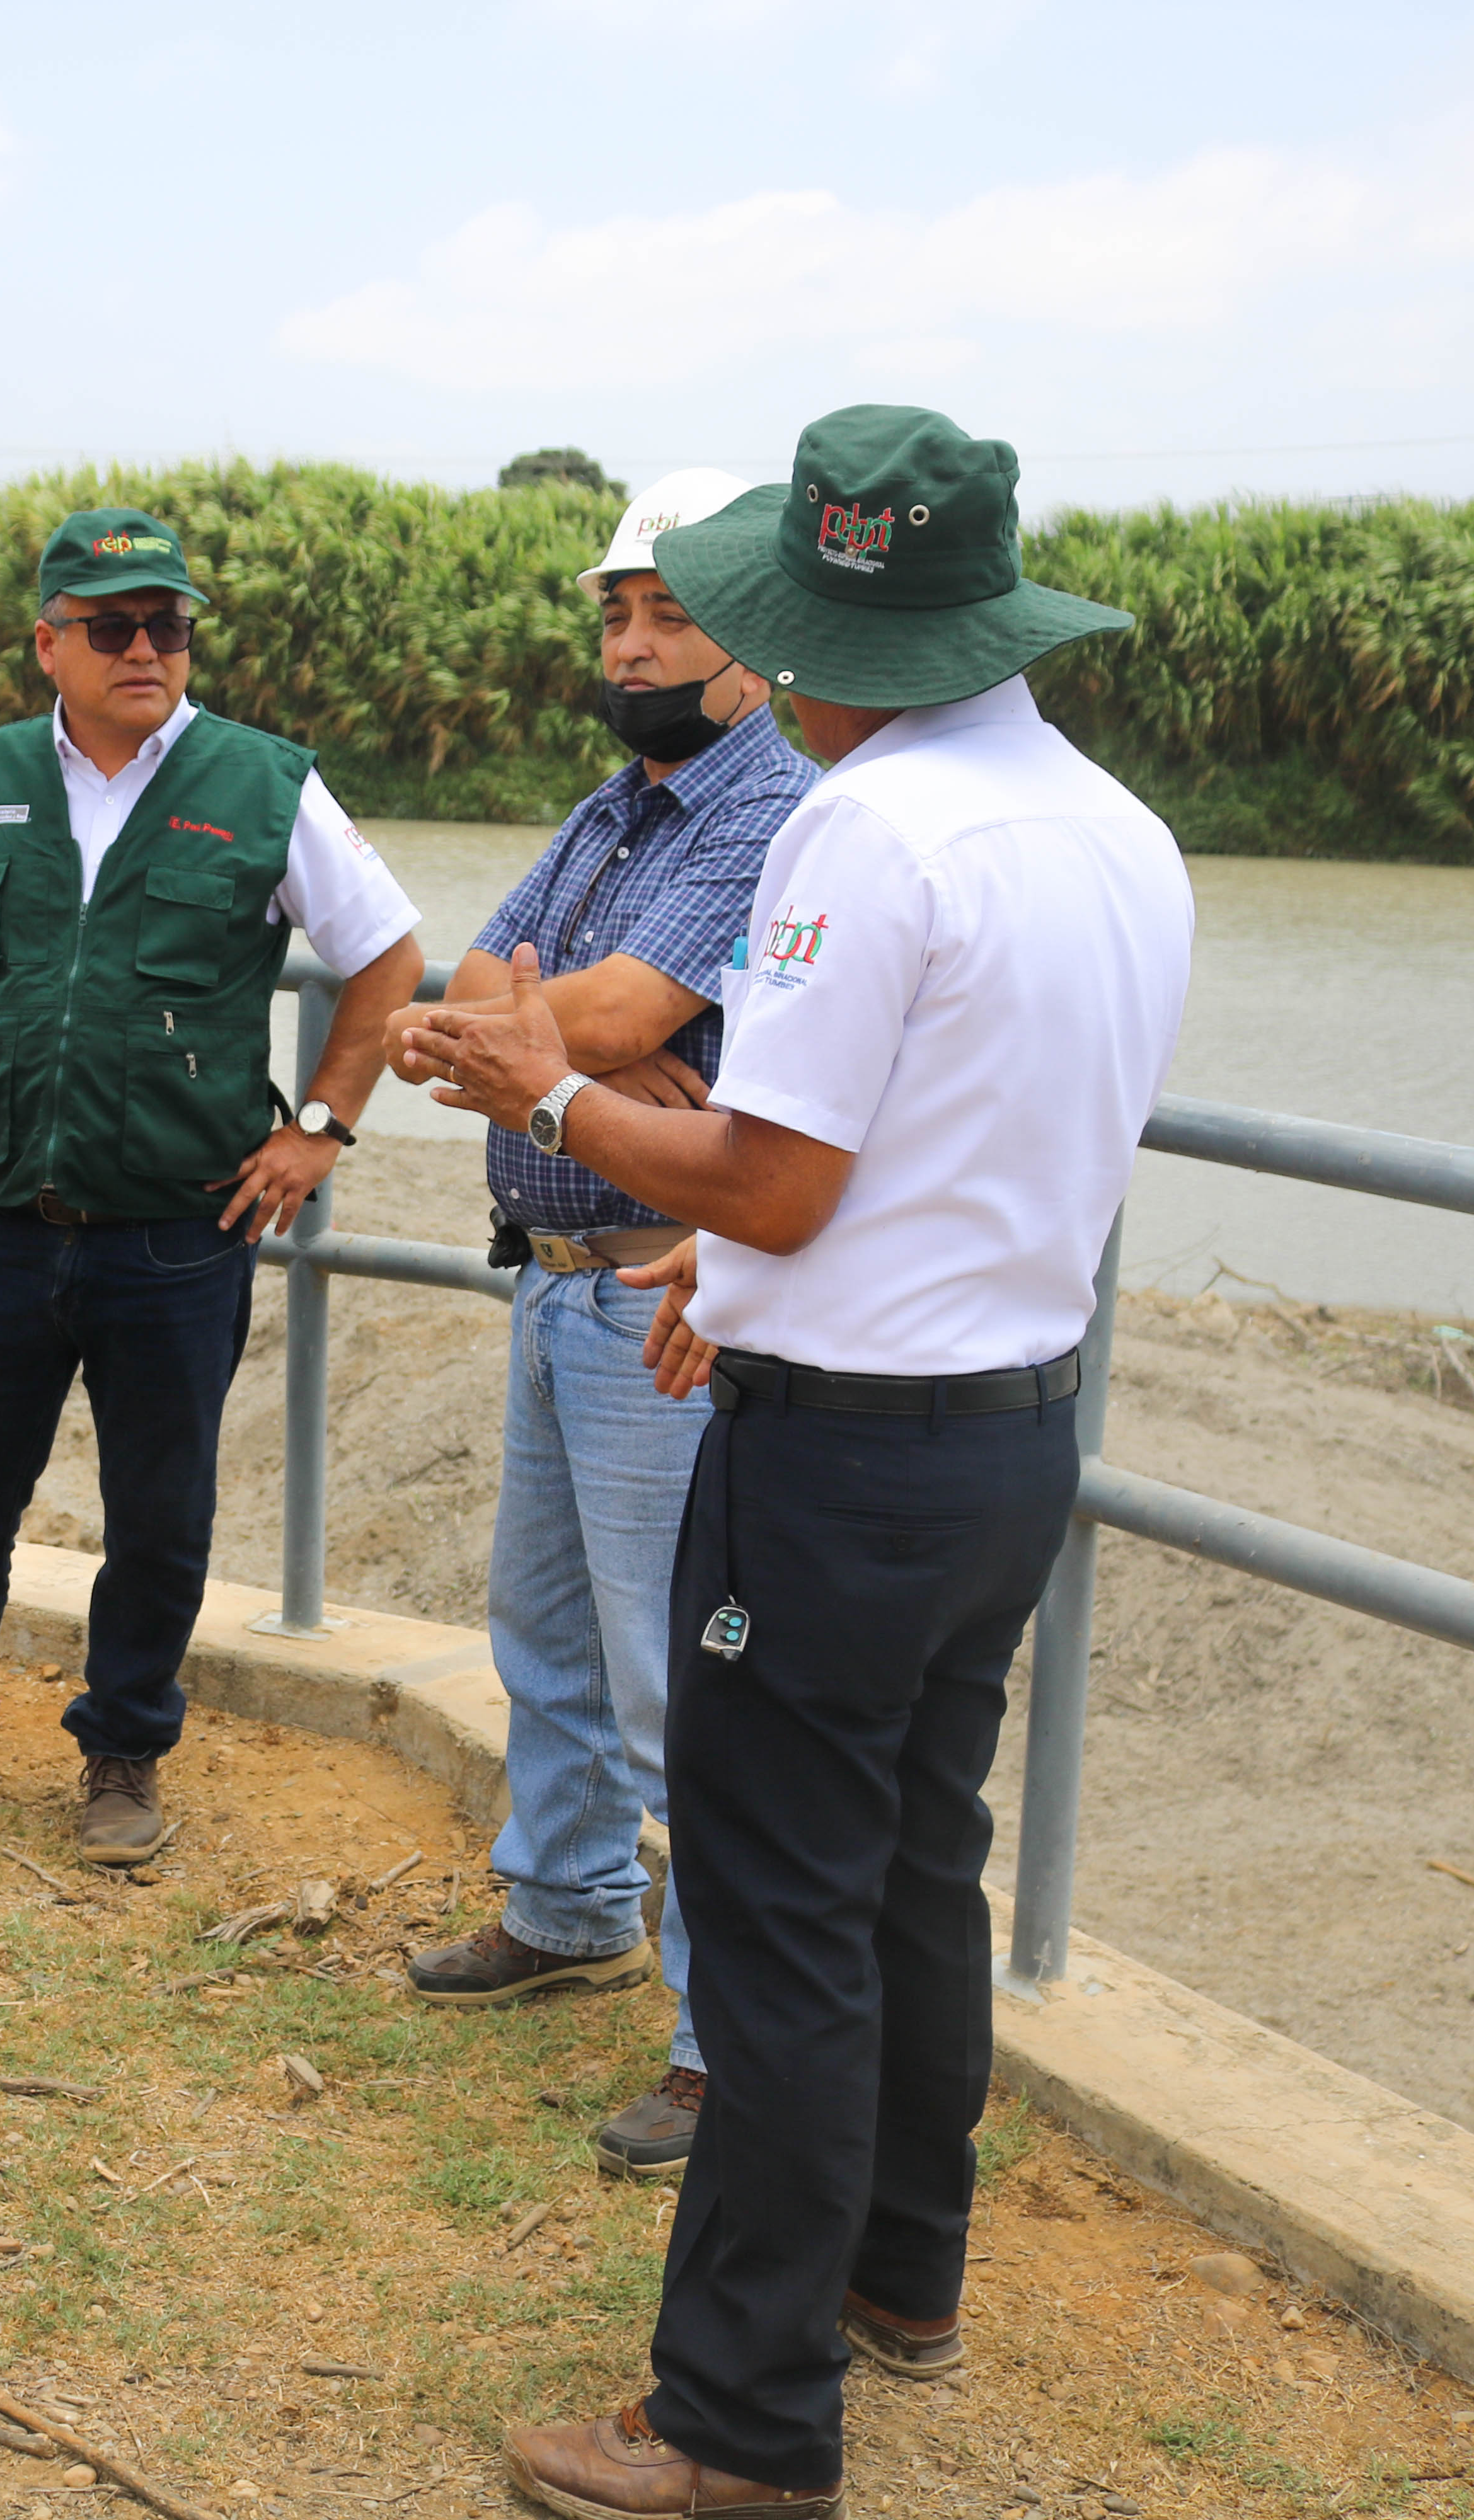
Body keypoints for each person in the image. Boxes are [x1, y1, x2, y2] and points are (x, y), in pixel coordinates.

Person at [400, 406, 1189, 2520]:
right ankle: (901, 2282)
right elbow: (931, 1170)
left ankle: (739, 2419)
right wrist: (731, 1259)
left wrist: (550, 1093)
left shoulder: (871, 832)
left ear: (826, 634)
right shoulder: (1117, 828)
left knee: (778, 1920)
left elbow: (770, 1172)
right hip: (1008, 1430)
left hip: (836, 1477)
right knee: (922, 1867)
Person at [0, 507, 426, 1867]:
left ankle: (124, 1746)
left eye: (169, 623)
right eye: (113, 626)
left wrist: (323, 1125)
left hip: (178, 1227)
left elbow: (386, 956)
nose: (148, 646)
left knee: (160, 1509)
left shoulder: (265, 782)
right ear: (51, 643)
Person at [393, 472, 817, 2190]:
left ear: (758, 641)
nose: (634, 642)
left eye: (671, 613)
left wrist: (544, 1034)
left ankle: (724, 2045)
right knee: (547, 1632)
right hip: (560, 1275)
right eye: (617, 613)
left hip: (664, 1287)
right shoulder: (613, 807)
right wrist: (545, 1039)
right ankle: (567, 1906)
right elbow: (477, 992)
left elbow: (602, 1012)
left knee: (678, 1685)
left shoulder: (772, 809)